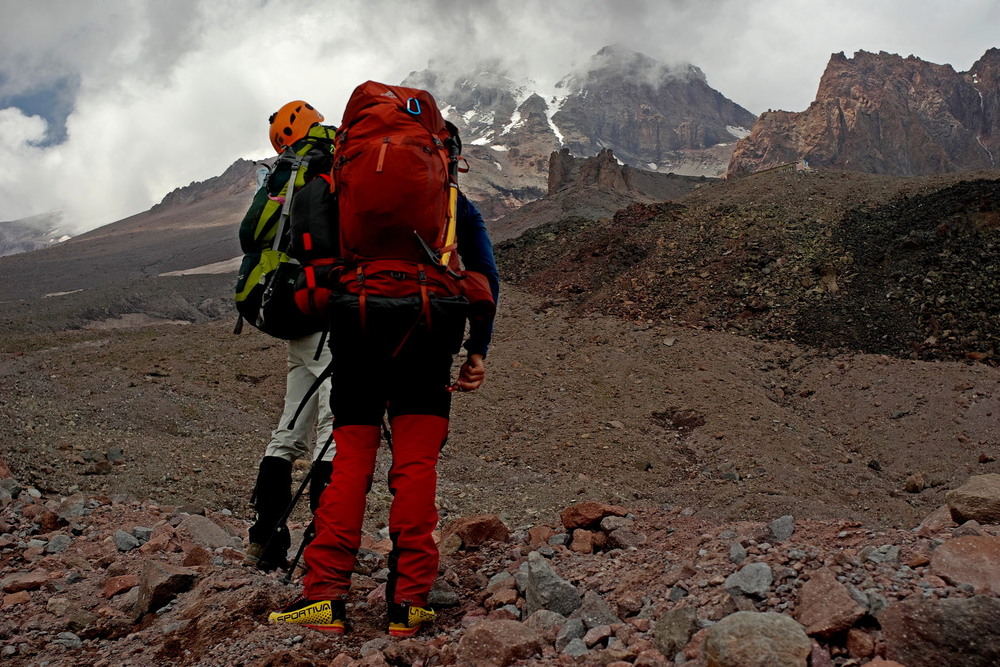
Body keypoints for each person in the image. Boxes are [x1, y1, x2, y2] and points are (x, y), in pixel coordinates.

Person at [268, 152, 500, 635]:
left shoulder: (348, 190)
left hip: (358, 323)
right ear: (444, 157)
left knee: (351, 462)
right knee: (417, 466)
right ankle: (409, 603)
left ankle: (324, 598)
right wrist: (476, 350)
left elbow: (314, 257)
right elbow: (486, 274)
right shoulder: (454, 201)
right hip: (432, 326)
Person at [244, 101, 338, 572]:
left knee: (288, 431)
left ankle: (263, 539)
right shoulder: (333, 163)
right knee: (333, 432)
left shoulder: (285, 172)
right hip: (329, 316)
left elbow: (251, 236)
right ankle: (325, 547)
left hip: (292, 310)